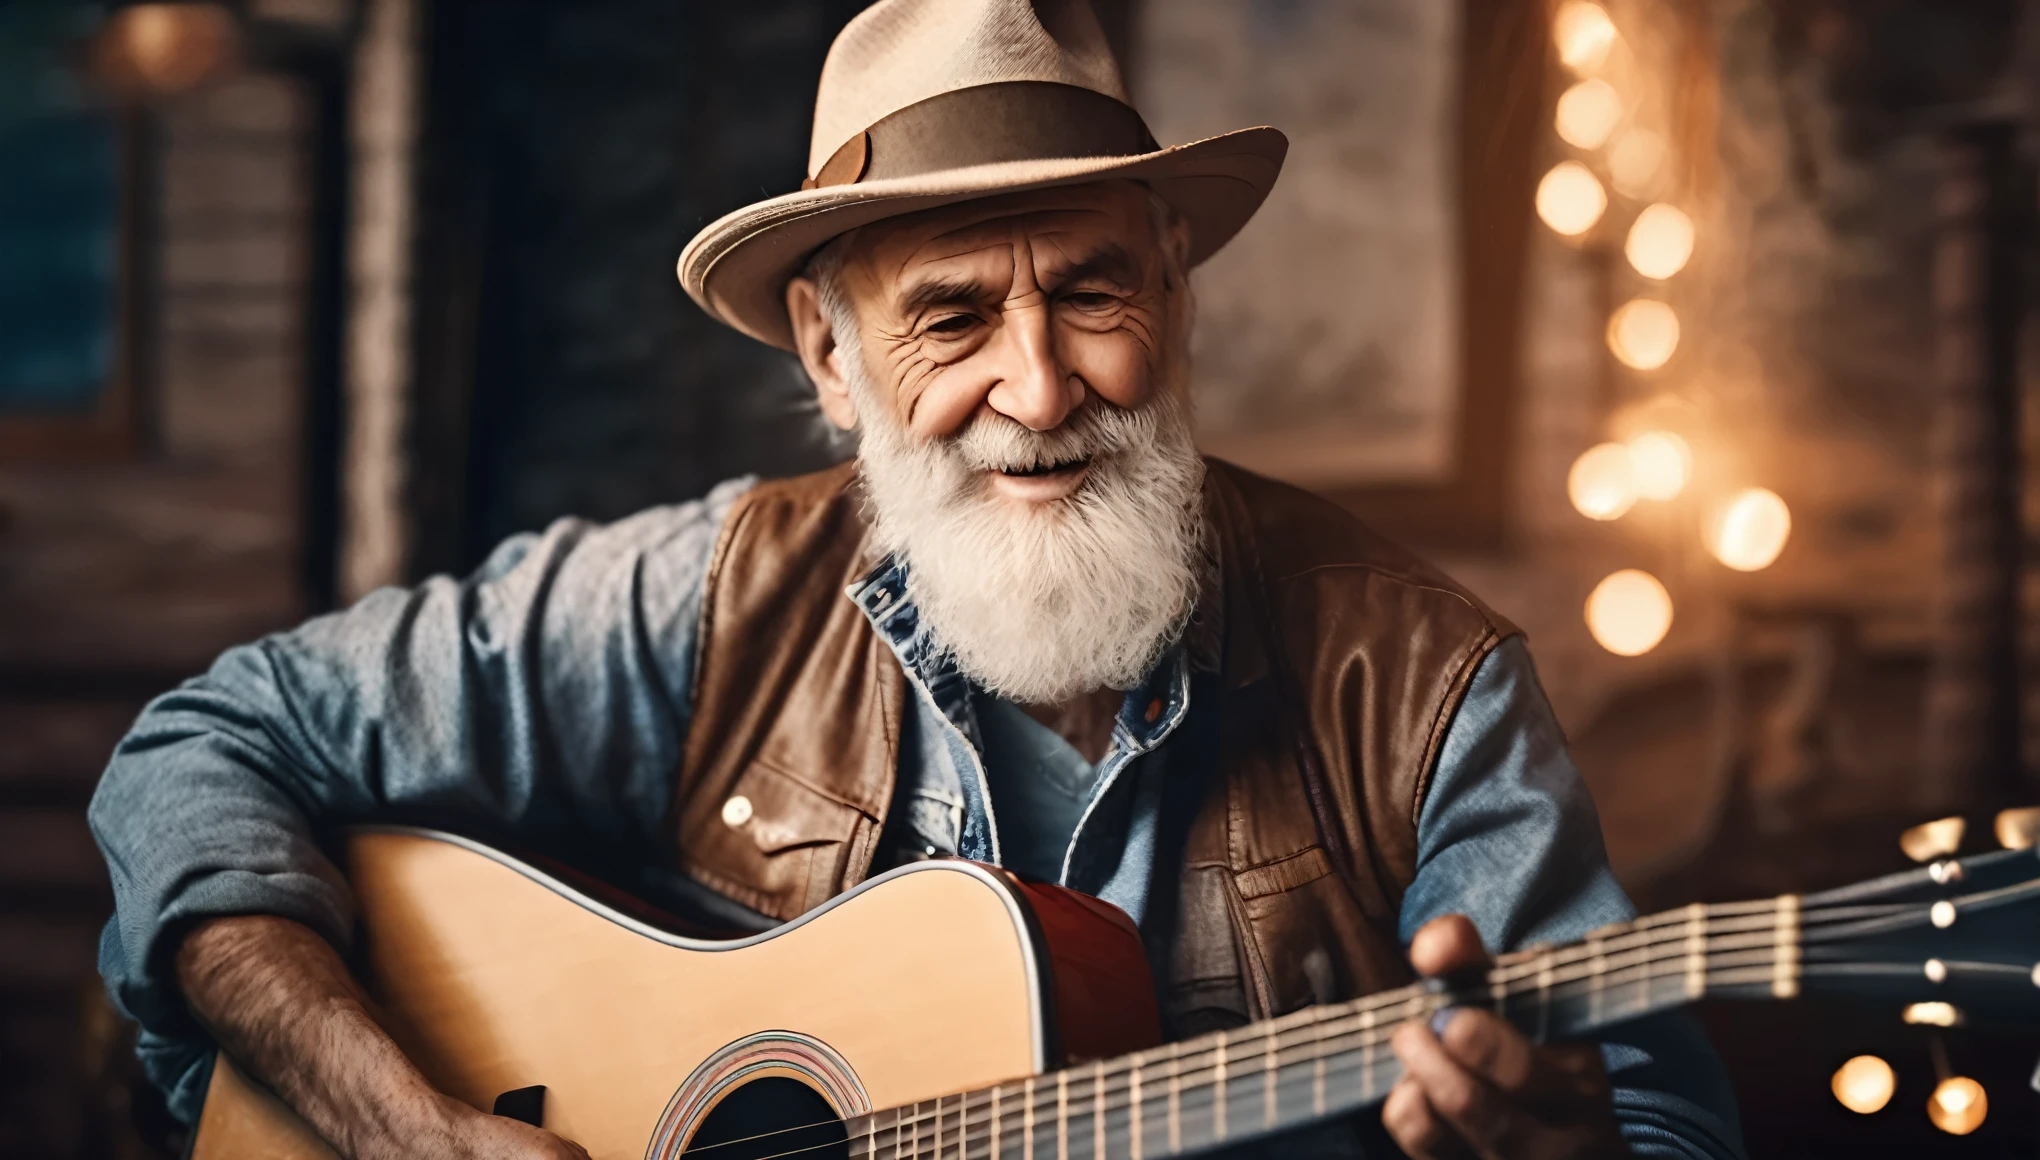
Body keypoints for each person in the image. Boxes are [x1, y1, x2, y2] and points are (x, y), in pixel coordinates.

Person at [90, 1, 1746, 1157]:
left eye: (1094, 292)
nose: (1039, 390)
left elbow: (1658, 1115)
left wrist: (1570, 1148)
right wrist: (396, 1123)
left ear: (1176, 290)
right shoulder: (715, 600)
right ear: (831, 351)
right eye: (952, 315)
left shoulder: (1427, 685)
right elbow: (205, 744)